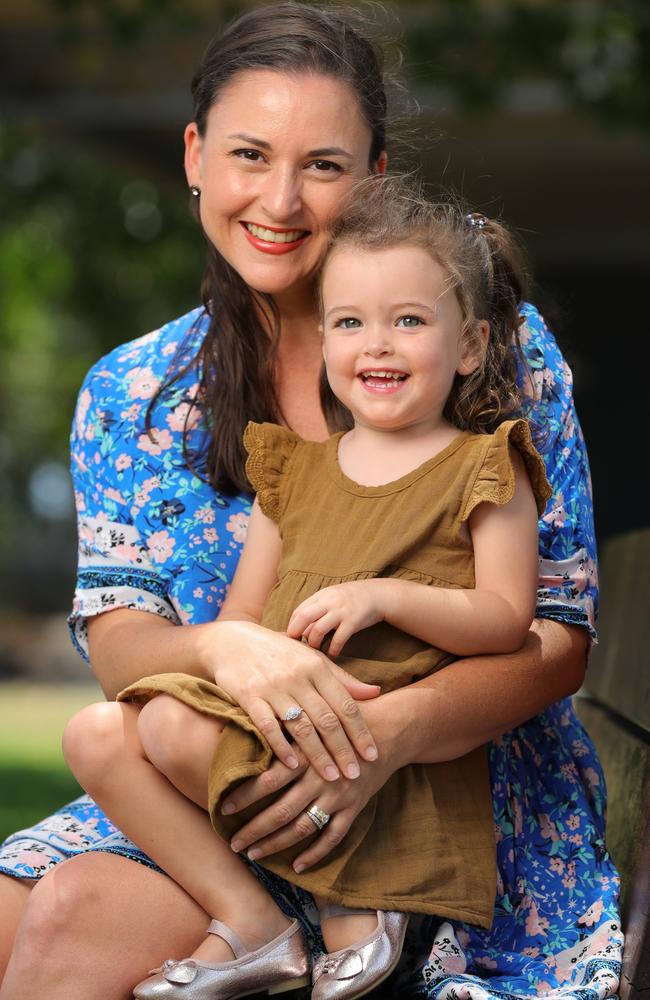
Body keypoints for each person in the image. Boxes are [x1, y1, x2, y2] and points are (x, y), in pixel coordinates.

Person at [0, 5, 620, 1000]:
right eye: (249, 154)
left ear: (374, 177)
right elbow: (118, 642)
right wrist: (221, 647)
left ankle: (317, 923)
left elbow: (552, 635)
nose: (279, 199)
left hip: (434, 787)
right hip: (219, 781)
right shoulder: (135, 388)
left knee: (74, 918)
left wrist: (386, 737)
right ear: (195, 154)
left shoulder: (480, 341)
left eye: (322, 166)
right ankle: (253, 923)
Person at [63, 181, 552, 1000]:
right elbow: (244, 624)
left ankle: (350, 902)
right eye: (351, 322)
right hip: (285, 727)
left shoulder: (485, 467)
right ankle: (254, 923)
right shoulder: (293, 475)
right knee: (98, 735)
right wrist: (246, 672)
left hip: (384, 757)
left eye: (409, 320)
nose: (378, 345)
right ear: (324, 338)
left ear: (467, 344)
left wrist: (385, 597)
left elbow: (507, 621)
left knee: (159, 731)